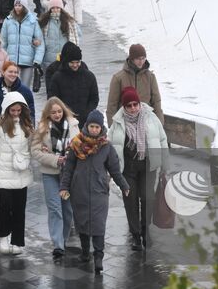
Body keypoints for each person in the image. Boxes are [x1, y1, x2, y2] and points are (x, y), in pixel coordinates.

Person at [59, 109, 129, 272]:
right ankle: (85, 253)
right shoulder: (76, 144)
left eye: (97, 127)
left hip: (99, 192)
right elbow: (68, 169)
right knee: (82, 223)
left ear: (101, 128)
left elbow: (114, 170)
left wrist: (123, 185)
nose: (94, 130)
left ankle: (98, 256)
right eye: (92, 126)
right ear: (87, 126)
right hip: (80, 191)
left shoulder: (106, 147)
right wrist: (64, 186)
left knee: (98, 225)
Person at [107, 86, 169, 250]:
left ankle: (145, 230)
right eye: (129, 105)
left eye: (136, 104)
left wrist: (165, 165)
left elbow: (162, 140)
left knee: (148, 199)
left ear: (140, 104)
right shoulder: (117, 122)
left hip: (148, 165)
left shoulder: (151, 117)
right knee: (130, 200)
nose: (133, 108)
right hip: (128, 168)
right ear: (124, 107)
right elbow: (109, 145)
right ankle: (135, 235)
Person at [0, 91, 35, 254]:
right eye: (13, 110)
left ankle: (17, 241)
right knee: (4, 206)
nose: (16, 113)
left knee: (19, 208)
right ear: (7, 109)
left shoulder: (27, 124)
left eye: (19, 110)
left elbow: (33, 146)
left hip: (21, 172)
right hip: (2, 173)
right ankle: (3, 236)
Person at [33, 97, 78, 261]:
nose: (57, 114)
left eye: (59, 111)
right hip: (50, 173)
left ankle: (63, 240)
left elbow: (79, 147)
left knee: (67, 210)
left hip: (67, 175)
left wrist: (69, 154)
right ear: (48, 113)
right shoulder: (42, 128)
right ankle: (58, 245)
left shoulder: (73, 125)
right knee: (55, 208)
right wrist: (54, 159)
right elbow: (35, 151)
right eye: (53, 112)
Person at [106, 43, 164, 124]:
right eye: (138, 59)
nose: (141, 61)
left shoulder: (150, 77)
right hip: (125, 122)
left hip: (146, 121)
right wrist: (113, 126)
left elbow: (156, 101)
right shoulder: (118, 78)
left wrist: (159, 123)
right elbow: (112, 104)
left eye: (143, 58)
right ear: (132, 59)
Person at [46, 41, 99, 123]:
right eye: (72, 62)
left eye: (77, 62)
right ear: (66, 61)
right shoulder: (57, 77)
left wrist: (87, 114)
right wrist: (63, 115)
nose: (75, 65)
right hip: (64, 120)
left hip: (85, 120)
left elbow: (94, 99)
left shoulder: (89, 76)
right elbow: (52, 99)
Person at [2, 0, 45, 91]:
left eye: (20, 5)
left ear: (24, 7)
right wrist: (3, 59)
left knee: (24, 89)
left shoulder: (33, 22)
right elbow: (3, 42)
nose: (17, 8)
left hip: (27, 62)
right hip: (11, 62)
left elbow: (40, 43)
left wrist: (37, 61)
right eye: (16, 5)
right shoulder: (8, 21)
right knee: (10, 90)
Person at [38, 0, 77, 83]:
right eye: (53, 8)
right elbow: (41, 42)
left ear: (61, 8)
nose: (55, 10)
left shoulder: (69, 22)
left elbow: (75, 40)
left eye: (58, 7)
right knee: (51, 88)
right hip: (49, 61)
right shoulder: (44, 23)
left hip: (65, 60)